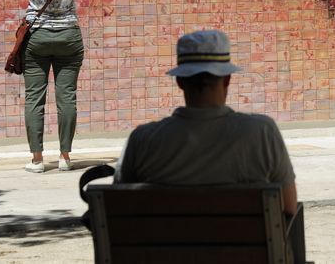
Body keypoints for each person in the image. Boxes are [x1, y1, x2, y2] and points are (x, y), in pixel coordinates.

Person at [114, 29, 297, 217]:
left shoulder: (142, 139)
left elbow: (118, 207)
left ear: (180, 82)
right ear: (227, 79)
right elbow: (289, 208)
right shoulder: (262, 133)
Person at [16, 0, 99, 172]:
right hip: (68, 34)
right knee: (67, 97)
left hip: (37, 35)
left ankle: (38, 160)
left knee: (34, 97)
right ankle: (64, 157)